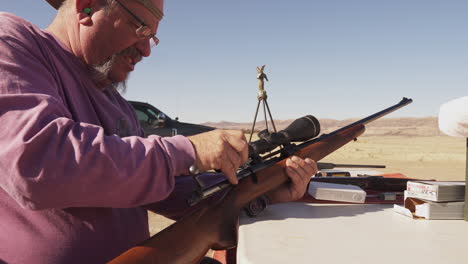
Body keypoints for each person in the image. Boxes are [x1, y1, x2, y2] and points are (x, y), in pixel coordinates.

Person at [0, 0, 318, 263]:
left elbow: (172, 192)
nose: (146, 50)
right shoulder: (12, 39)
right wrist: (190, 152)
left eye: (152, 37)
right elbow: (36, 165)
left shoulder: (119, 105)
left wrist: (265, 194)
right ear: (87, 7)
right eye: (140, 28)